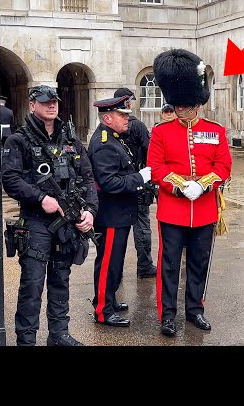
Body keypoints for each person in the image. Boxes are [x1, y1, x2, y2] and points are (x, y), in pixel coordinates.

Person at [1, 85, 98, 346]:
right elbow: (10, 179)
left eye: (54, 101)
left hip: (67, 223)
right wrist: (40, 198)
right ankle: (27, 339)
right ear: (32, 105)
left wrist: (89, 211)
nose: (51, 106)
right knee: (32, 286)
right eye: (45, 102)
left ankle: (59, 335)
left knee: (61, 279)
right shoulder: (18, 141)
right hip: (36, 222)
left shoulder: (71, 141)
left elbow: (88, 179)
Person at [147, 48, 232, 336]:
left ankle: (195, 310)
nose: (180, 109)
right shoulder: (161, 132)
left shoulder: (215, 130)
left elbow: (223, 165)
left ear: (196, 103)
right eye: (177, 105)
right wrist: (183, 186)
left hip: (205, 209)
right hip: (173, 209)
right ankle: (167, 315)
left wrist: (204, 184)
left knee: (199, 264)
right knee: (169, 265)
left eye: (185, 104)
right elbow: (156, 168)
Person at [87, 95, 153, 327]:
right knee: (108, 262)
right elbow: (109, 183)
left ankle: (108, 299)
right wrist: (139, 178)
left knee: (115, 261)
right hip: (111, 213)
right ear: (108, 118)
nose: (127, 119)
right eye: (122, 115)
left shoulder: (115, 137)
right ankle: (103, 311)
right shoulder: (104, 143)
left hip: (121, 212)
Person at [113, 87, 157, 279]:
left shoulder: (109, 128)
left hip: (118, 184)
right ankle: (145, 265)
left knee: (118, 231)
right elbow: (150, 152)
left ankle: (117, 271)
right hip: (137, 181)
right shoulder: (137, 126)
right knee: (142, 227)